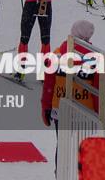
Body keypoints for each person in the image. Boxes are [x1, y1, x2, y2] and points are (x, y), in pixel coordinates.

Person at [41, 20, 98, 171]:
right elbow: (98, 89)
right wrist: (99, 112)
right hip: (85, 112)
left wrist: (45, 107)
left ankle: (61, 173)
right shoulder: (94, 57)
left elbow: (48, 85)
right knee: (86, 147)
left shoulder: (57, 53)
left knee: (63, 146)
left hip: (61, 110)